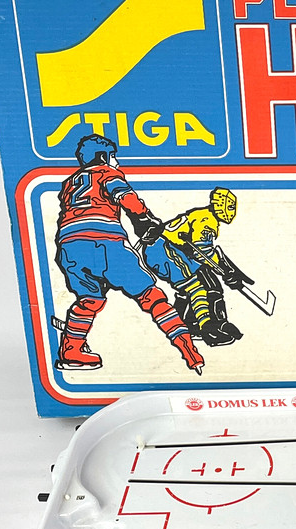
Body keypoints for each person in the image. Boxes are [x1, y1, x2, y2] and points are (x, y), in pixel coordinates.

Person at [53, 135, 203, 373]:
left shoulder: (70, 183)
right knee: (151, 296)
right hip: (105, 242)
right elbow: (125, 197)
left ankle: (71, 351)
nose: (117, 162)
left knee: (89, 300)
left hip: (69, 246)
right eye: (113, 156)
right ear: (103, 157)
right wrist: (145, 218)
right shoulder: (107, 173)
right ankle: (189, 350)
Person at [141, 187, 247, 346]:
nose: (232, 212)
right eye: (230, 207)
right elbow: (202, 251)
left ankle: (184, 323)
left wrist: (227, 271)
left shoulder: (204, 216)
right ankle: (207, 329)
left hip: (167, 249)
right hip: (164, 249)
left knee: (201, 282)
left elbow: (203, 252)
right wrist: (225, 271)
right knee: (196, 286)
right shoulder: (206, 220)